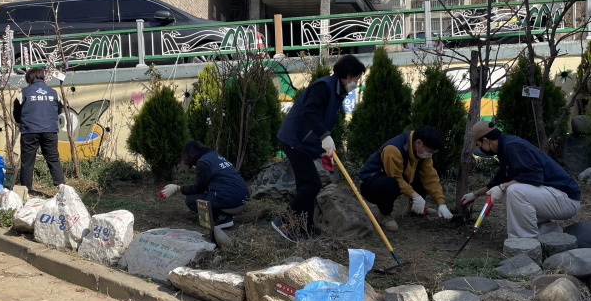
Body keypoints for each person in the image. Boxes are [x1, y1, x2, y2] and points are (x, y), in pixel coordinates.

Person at [272, 54, 367, 242]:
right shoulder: (324, 87)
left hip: (305, 143)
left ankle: (306, 229)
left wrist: (324, 146)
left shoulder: (338, 91)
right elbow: (309, 112)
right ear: (348, 75)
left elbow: (324, 119)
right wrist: (324, 136)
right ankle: (283, 221)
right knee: (313, 184)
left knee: (305, 187)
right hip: (295, 140)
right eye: (357, 78)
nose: (357, 82)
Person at [461, 121, 581, 238]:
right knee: (506, 191)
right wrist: (475, 194)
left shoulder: (513, 147)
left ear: (486, 140)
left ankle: (524, 242)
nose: (480, 148)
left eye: (479, 145)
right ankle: (549, 231)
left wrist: (502, 187)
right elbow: (497, 182)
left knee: (514, 191)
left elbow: (534, 176)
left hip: (566, 201)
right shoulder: (505, 148)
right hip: (554, 197)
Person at [358, 126, 453, 231]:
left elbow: (429, 176)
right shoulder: (393, 150)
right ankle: (385, 214)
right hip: (372, 183)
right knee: (390, 183)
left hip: (398, 178)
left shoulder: (421, 149)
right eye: (430, 151)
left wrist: (441, 203)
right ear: (419, 143)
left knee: (423, 172)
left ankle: (414, 208)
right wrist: (415, 196)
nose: (430, 154)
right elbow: (395, 177)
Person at [159, 140, 250, 229]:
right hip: (243, 200)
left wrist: (177, 188)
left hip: (232, 202)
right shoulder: (215, 156)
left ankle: (222, 218)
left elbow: (198, 188)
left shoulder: (203, 162)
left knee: (191, 200)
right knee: (210, 194)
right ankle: (224, 214)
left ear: (189, 154)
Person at [13, 68, 65, 192]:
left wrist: (20, 122)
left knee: (27, 161)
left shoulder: (24, 93)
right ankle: (62, 187)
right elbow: (59, 110)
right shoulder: (53, 93)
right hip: (50, 131)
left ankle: (26, 190)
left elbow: (16, 112)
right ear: (42, 77)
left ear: (29, 78)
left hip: (29, 131)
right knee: (53, 158)